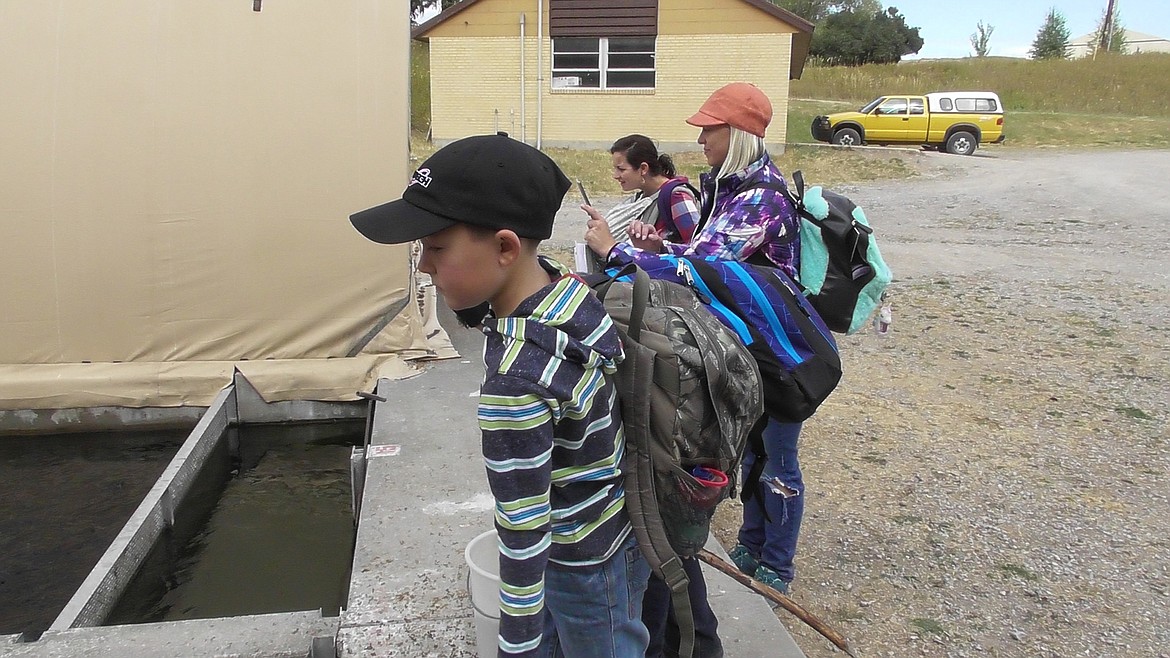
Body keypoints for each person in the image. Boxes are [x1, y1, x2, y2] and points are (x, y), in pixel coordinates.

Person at [350, 133, 650, 658]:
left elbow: (524, 528)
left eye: (436, 248)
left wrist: (517, 644)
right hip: (617, 531)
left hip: (575, 559)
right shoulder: (569, 294)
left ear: (506, 248)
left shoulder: (514, 381)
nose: (423, 266)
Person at [582, 82, 804, 657]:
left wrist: (619, 254)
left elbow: (706, 269)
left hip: (759, 360)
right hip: (725, 354)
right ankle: (742, 561)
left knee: (769, 460)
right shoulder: (725, 190)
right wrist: (658, 247)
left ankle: (772, 563)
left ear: (740, 134)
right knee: (736, 464)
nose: (700, 138)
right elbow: (695, 257)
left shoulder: (762, 195)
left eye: (710, 128)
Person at [583, 134, 701, 249]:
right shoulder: (643, 197)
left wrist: (660, 248)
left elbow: (698, 248)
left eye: (621, 169)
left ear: (643, 168)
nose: (615, 176)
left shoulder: (677, 197)